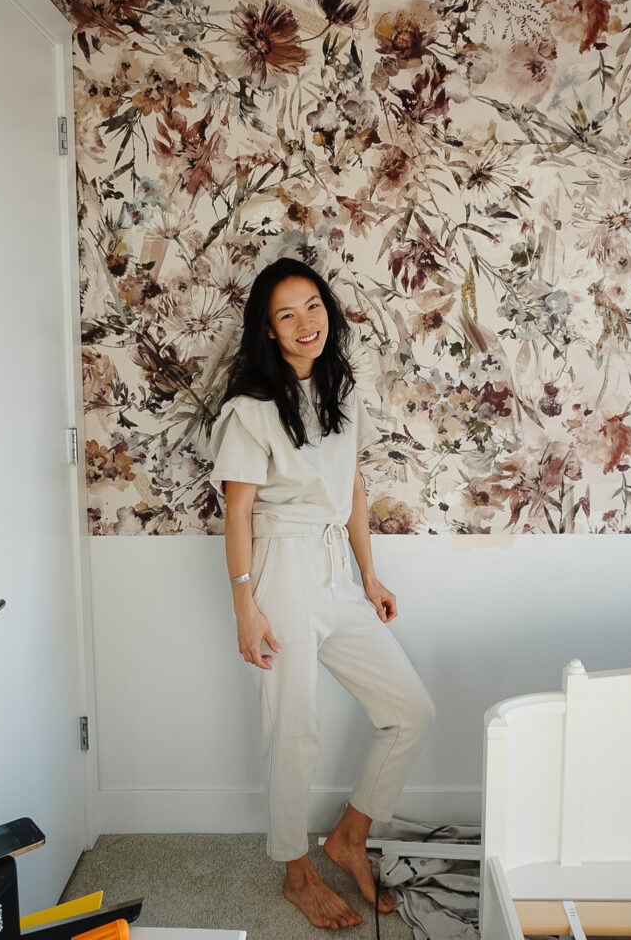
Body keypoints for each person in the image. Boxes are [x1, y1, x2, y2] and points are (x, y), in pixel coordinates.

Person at [209, 257, 435, 930]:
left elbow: (354, 487)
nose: (305, 322)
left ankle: (348, 836)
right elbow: (238, 510)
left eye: (312, 306)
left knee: (410, 711)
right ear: (268, 331)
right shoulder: (250, 410)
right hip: (280, 566)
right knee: (295, 730)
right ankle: (295, 869)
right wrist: (244, 607)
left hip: (335, 565)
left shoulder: (341, 389)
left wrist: (369, 575)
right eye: (286, 314)